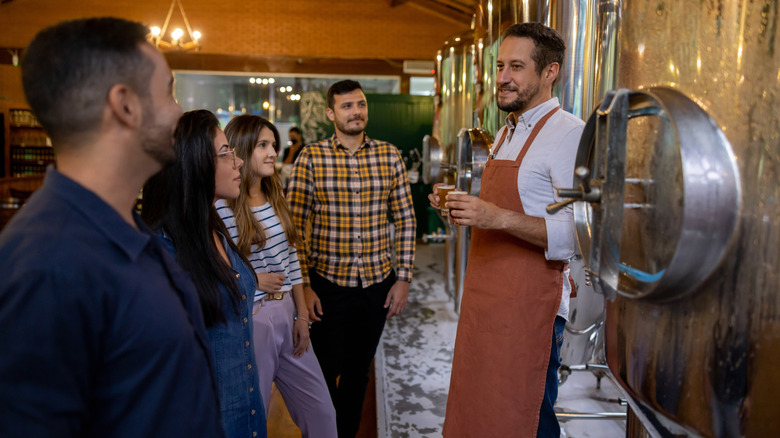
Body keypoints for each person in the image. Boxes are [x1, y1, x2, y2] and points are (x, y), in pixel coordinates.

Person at [0, 18, 224, 438]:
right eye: (169, 91)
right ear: (125, 104)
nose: (178, 110)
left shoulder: (130, 230)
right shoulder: (44, 268)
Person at [431, 22, 585, 437]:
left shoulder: (569, 134)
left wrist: (494, 217)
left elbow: (577, 236)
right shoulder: (506, 131)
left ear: (550, 72)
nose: (502, 77)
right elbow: (497, 215)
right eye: (500, 65)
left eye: (516, 66)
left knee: (527, 414)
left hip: (529, 307)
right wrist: (461, 210)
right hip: (486, 299)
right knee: (482, 408)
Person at [287, 79, 416, 437]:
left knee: (360, 371)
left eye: (360, 104)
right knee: (324, 369)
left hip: (377, 283)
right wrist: (305, 287)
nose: (356, 111)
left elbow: (405, 218)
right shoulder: (311, 157)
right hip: (327, 284)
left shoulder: (389, 155)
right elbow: (294, 229)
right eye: (346, 106)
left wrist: (403, 277)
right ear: (331, 113)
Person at [142, 110, 266, 438]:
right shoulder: (161, 250)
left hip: (248, 414)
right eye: (226, 153)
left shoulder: (214, 226)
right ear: (194, 163)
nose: (238, 162)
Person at [217, 115, 337, 438]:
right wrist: (253, 279)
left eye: (273, 145)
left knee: (323, 413)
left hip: (288, 312)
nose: (273, 152)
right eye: (263, 146)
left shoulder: (275, 194)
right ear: (241, 150)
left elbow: (291, 257)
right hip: (253, 319)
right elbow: (214, 271)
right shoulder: (222, 207)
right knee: (254, 421)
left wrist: (301, 315)